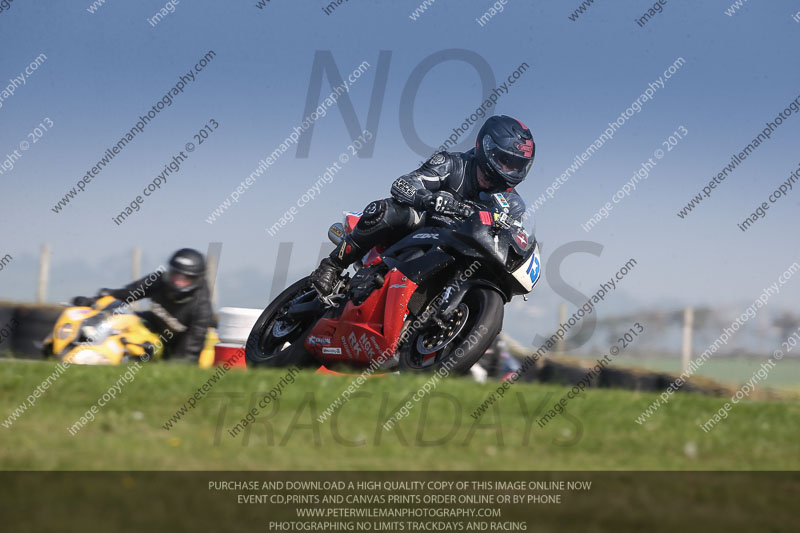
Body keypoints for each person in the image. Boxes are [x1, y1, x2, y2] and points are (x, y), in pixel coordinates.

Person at [311, 114, 536, 295]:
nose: (509, 170)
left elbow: (512, 237)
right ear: (487, 148)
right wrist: (427, 199)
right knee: (387, 211)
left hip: (461, 251)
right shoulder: (452, 164)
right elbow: (403, 184)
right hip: (419, 230)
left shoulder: (513, 205)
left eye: (516, 165)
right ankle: (332, 266)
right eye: (505, 161)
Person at [99, 248, 214, 361]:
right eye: (175, 274)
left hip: (176, 347)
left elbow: (188, 356)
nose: (178, 281)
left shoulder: (202, 308)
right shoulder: (159, 280)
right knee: (122, 317)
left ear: (196, 279)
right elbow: (126, 294)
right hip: (152, 326)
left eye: (185, 278)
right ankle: (98, 348)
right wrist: (102, 297)